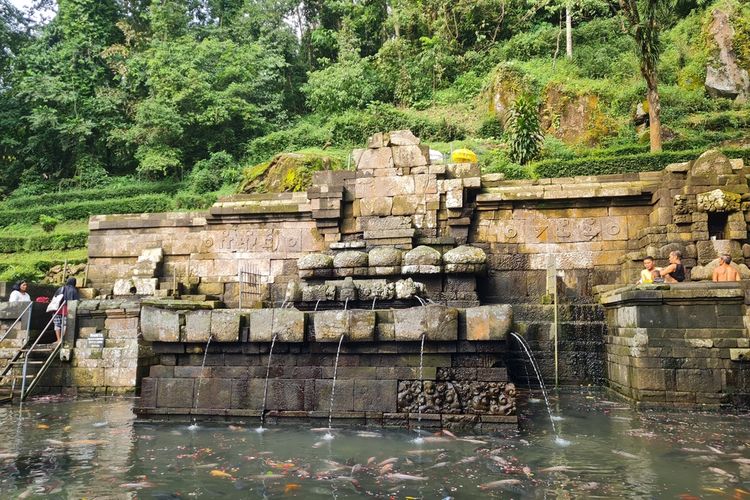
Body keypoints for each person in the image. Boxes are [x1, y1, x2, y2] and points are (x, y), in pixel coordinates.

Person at [52, 277, 79, 343]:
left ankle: (58, 339)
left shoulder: (60, 288)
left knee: (57, 324)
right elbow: (76, 301)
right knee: (65, 324)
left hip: (57, 309)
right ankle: (62, 339)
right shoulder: (73, 290)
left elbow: (54, 298)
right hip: (66, 310)